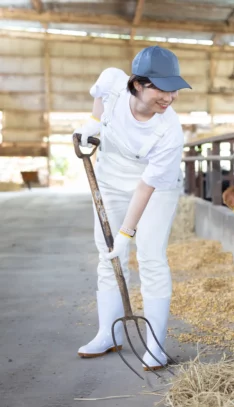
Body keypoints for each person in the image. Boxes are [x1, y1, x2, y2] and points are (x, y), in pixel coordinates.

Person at [73, 45, 191, 371]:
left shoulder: (169, 131)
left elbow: (146, 187)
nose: (169, 97)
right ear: (138, 84)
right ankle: (107, 335)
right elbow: (100, 96)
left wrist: (127, 231)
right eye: (161, 88)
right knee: (109, 257)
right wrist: (93, 122)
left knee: (150, 257)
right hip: (109, 182)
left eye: (174, 89)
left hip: (155, 190)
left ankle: (155, 347)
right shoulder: (113, 81)